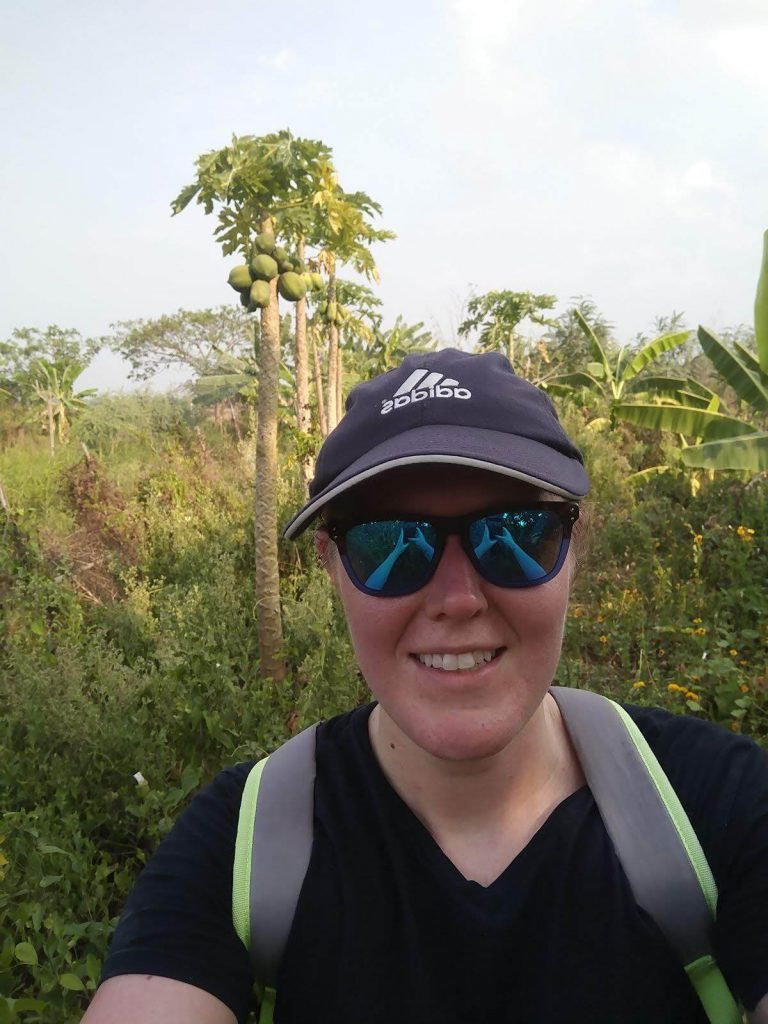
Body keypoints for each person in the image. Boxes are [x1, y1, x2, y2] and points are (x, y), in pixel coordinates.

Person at [83, 349, 768, 1024]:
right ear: (332, 567)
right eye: (388, 545)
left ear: (572, 552)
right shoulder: (242, 849)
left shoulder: (720, 806)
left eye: (515, 534)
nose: (458, 598)